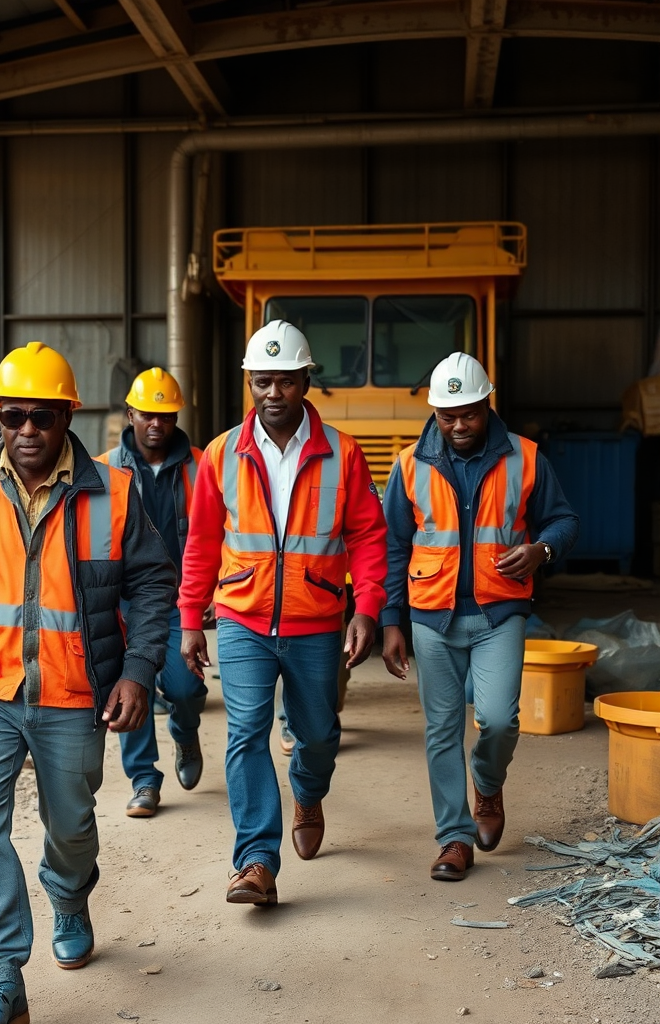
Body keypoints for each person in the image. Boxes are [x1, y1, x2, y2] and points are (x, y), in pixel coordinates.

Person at [0, 342, 175, 1024]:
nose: (25, 432)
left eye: (40, 418)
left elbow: (153, 581)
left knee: (72, 825)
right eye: (12, 416)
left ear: (66, 418)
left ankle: (69, 893)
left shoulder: (113, 492)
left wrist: (138, 672)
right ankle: (0, 979)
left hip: (73, 693)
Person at [178, 319, 388, 907]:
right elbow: (199, 544)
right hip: (243, 618)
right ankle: (255, 863)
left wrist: (366, 607)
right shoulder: (221, 454)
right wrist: (191, 617)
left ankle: (309, 791)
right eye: (262, 381)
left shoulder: (342, 453)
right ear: (250, 382)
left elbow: (369, 535)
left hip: (317, 618)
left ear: (305, 382)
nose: (274, 393)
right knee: (245, 735)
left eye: (286, 381)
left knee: (317, 736)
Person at [380, 352, 578, 882]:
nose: (460, 425)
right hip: (431, 617)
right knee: (441, 729)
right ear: (434, 412)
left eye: (469, 413)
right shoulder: (408, 465)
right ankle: (454, 839)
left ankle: (487, 784)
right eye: (449, 416)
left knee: (497, 719)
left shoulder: (526, 457)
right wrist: (390, 620)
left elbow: (563, 519)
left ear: (487, 404)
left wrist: (541, 550)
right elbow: (393, 546)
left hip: (500, 612)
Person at [96, 367, 208, 817]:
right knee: (129, 688)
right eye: (147, 414)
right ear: (130, 414)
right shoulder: (103, 470)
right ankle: (143, 779)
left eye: (166, 414)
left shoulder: (202, 465)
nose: (157, 423)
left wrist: (211, 590)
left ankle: (186, 731)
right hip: (124, 601)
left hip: (182, 597)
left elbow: (218, 531)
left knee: (183, 687)